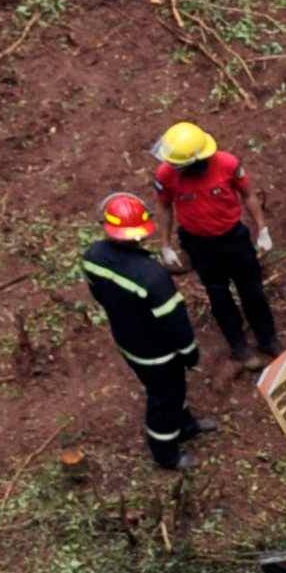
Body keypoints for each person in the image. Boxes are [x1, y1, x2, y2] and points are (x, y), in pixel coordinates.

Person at [81, 192, 203, 469]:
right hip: (158, 352)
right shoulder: (153, 276)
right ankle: (166, 453)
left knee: (170, 388)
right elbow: (176, 323)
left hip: (128, 341)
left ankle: (185, 425)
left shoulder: (92, 258)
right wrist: (190, 352)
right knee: (164, 397)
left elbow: (99, 295)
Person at [150, 121, 279, 377]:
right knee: (219, 294)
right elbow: (164, 207)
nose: (172, 167)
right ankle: (239, 346)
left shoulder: (228, 164)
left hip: (234, 238)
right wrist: (165, 245)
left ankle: (267, 339)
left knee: (252, 290)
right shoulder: (166, 175)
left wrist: (262, 229)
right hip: (199, 245)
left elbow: (248, 195)